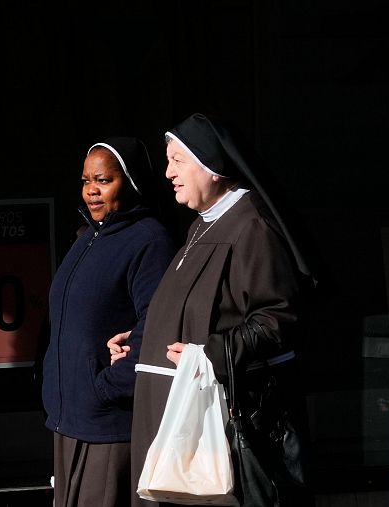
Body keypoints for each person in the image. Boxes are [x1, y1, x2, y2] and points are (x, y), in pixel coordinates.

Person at [111, 113, 316, 506]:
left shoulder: (251, 226)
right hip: (171, 417)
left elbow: (277, 319)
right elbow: (193, 309)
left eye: (178, 161)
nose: (168, 172)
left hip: (214, 428)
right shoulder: (203, 225)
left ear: (212, 166)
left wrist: (209, 355)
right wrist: (141, 339)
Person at [42, 137, 176, 507]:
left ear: (129, 182)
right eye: (86, 181)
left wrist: (111, 385)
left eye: (103, 180)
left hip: (109, 425)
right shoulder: (88, 236)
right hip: (69, 420)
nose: (92, 192)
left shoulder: (149, 240)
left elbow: (159, 322)